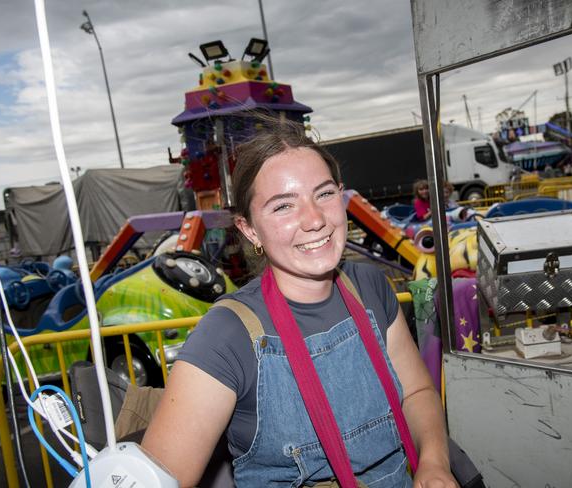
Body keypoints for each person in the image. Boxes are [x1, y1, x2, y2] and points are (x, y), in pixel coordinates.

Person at [142, 117, 456, 487]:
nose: (314, 219)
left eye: (323, 194)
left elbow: (416, 392)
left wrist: (433, 463)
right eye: (283, 207)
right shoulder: (226, 336)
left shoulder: (372, 287)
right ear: (249, 229)